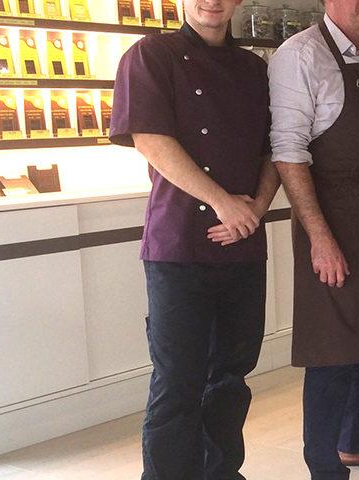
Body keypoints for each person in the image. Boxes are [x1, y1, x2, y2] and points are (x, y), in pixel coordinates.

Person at [109, 0, 279, 476]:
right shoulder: (150, 55)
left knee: (231, 377)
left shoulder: (254, 69)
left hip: (243, 245)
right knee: (178, 380)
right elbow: (149, 138)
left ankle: (222, 472)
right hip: (178, 245)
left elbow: (275, 148)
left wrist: (254, 210)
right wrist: (223, 202)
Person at [268, 0, 359, 477]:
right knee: (331, 348)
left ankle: (357, 441)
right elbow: (288, 151)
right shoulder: (300, 55)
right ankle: (324, 466)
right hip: (334, 220)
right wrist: (319, 236)